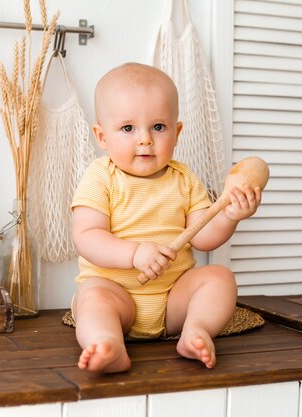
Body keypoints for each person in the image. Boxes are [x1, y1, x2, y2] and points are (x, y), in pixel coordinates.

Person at [70, 62, 262, 373]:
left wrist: (230, 216)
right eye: (128, 128)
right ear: (101, 136)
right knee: (92, 299)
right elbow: (87, 236)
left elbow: (203, 236)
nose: (145, 139)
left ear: (177, 131)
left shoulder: (184, 179)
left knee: (220, 278)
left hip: (175, 299)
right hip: (118, 296)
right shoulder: (99, 177)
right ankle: (109, 343)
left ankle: (196, 330)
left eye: (158, 127)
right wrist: (135, 253)